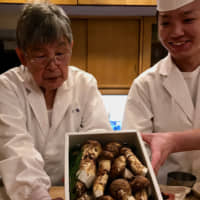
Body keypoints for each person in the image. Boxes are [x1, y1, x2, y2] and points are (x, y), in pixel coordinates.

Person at [0, 2, 111, 200]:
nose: (53, 65)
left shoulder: (85, 84)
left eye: (60, 54)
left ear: (71, 48)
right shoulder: (7, 87)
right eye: (41, 56)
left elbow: (98, 140)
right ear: (22, 56)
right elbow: (17, 149)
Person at [122, 0, 200, 184]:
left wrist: (174, 141)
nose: (176, 32)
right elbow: (135, 151)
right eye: (166, 23)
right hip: (166, 193)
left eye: (188, 20)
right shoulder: (145, 86)